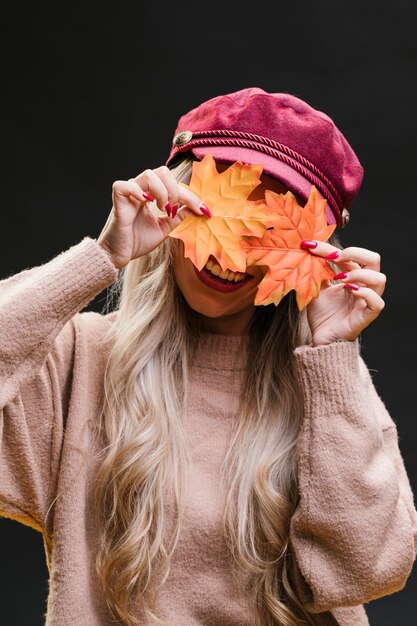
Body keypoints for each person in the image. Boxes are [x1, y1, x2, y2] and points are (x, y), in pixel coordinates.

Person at [0, 87, 416, 626]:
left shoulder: (326, 385)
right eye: (221, 211)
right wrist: (101, 259)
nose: (229, 253)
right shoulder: (78, 360)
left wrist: (333, 358)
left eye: (268, 230)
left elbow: (371, 569)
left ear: (314, 251)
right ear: (175, 195)